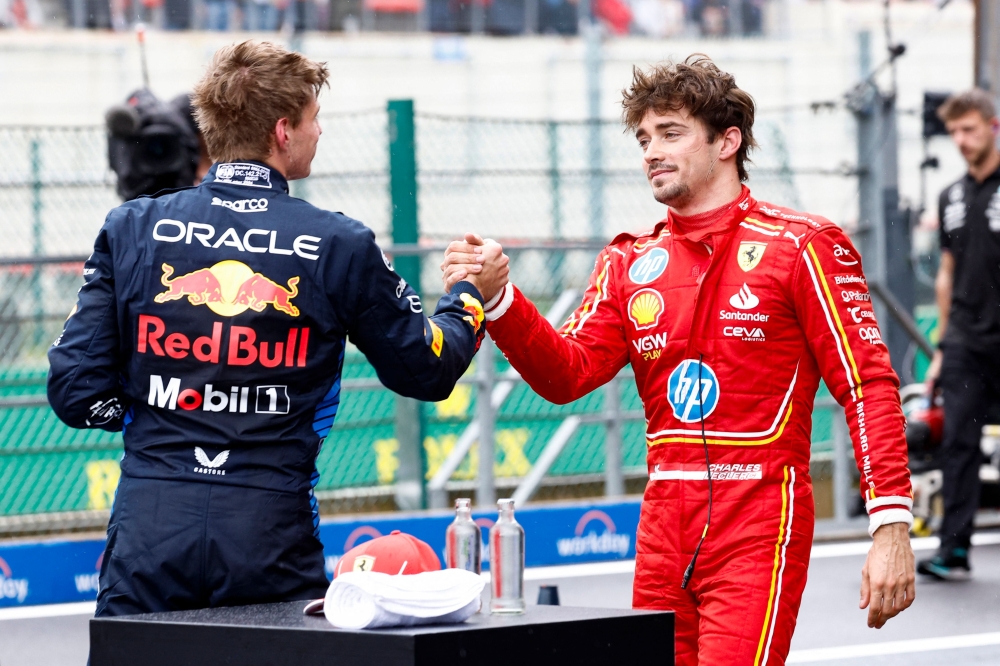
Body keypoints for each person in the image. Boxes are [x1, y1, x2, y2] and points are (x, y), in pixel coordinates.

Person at [442, 56, 915, 665]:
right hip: (663, 523)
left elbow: (867, 383)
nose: (651, 152)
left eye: (670, 133)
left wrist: (891, 528)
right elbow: (567, 374)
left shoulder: (804, 245)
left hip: (760, 516)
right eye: (644, 138)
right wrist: (500, 299)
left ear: (727, 141)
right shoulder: (629, 261)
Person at [47, 40, 508, 619]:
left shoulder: (133, 226)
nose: (321, 134)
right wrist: (469, 294)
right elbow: (427, 368)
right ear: (284, 131)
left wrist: (155, 423)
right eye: (316, 120)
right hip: (267, 531)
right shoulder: (339, 242)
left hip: (150, 524)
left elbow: (75, 390)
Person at [919, 89, 1000, 581]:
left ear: (993, 126)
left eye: (969, 130)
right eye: (954, 133)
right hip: (966, 342)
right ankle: (954, 550)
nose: (961, 140)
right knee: (957, 443)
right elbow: (946, 274)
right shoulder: (949, 195)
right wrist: (941, 348)